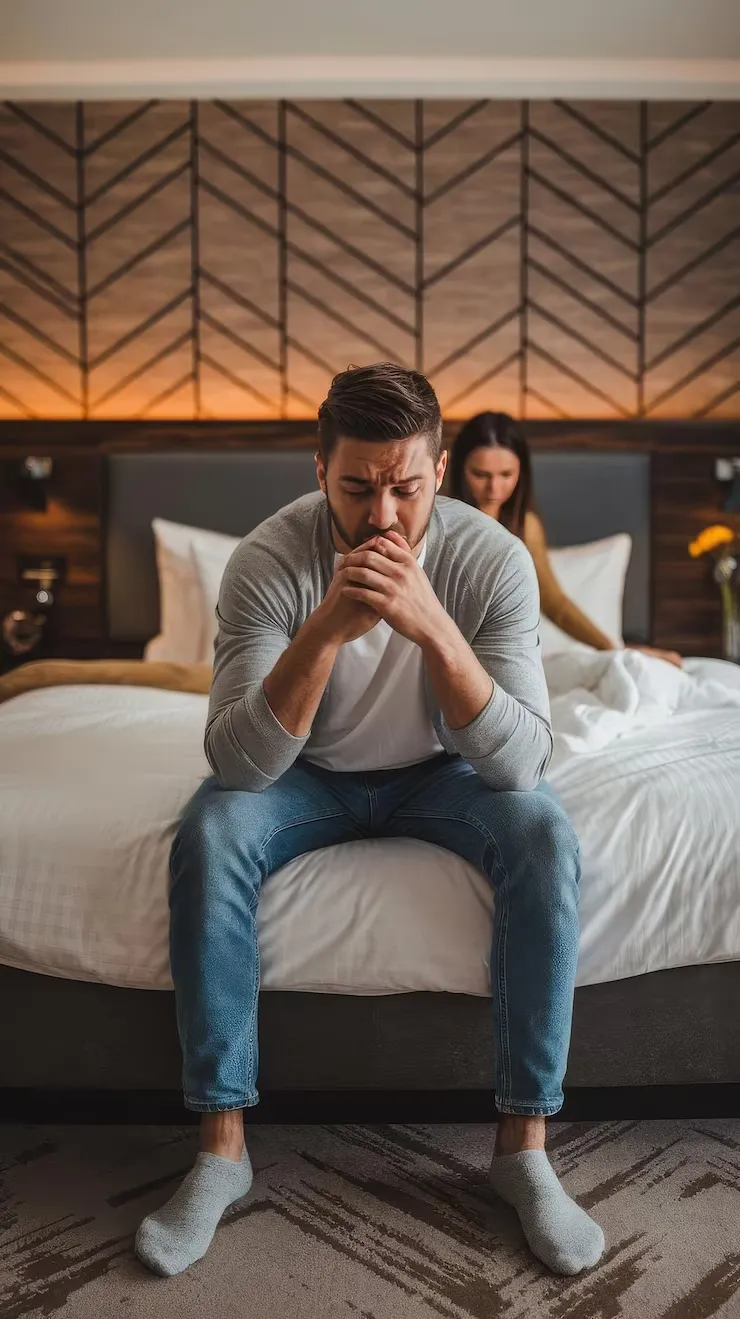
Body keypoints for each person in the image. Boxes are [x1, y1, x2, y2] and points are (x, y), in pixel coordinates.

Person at [135, 363, 604, 1280]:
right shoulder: (268, 560)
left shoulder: (493, 560)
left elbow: (518, 762)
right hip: (305, 777)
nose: (383, 515)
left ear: (441, 470)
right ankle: (221, 1148)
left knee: (545, 832)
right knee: (210, 832)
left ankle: (525, 1146)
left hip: (441, 775)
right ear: (320, 472)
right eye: (357, 486)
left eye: (407, 486)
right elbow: (238, 763)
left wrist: (434, 629)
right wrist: (323, 631)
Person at [449, 411, 682, 667]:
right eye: (480, 475)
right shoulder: (442, 522)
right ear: (457, 468)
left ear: (522, 472)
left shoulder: (526, 527)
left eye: (506, 475)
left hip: (513, 658)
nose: (494, 488)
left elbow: (555, 604)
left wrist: (616, 649)